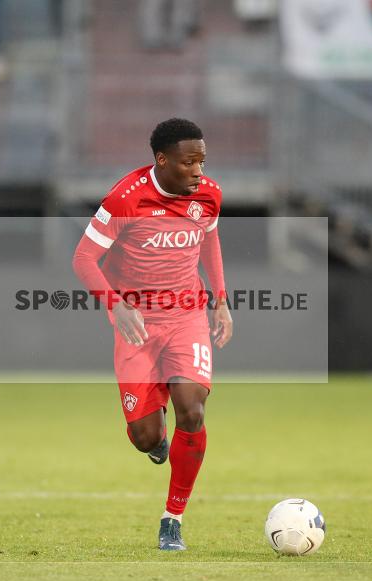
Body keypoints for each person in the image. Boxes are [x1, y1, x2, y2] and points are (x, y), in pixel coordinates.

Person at [72, 118, 233, 550]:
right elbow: (84, 258)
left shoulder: (209, 195)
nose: (198, 171)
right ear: (162, 160)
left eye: (202, 161)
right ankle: (156, 438)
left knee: (192, 410)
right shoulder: (126, 198)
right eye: (188, 162)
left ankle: (172, 519)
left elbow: (209, 240)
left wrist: (220, 299)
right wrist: (115, 304)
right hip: (137, 325)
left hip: (186, 317)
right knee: (145, 436)